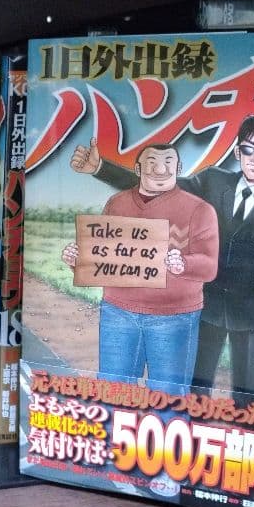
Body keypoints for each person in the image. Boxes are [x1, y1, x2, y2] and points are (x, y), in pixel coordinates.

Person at [71, 115, 254, 403]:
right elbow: (158, 183)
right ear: (238, 152)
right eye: (248, 149)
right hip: (207, 308)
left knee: (249, 404)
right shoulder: (213, 181)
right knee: (192, 397)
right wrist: (100, 169)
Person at [63, 143, 219, 395]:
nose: (160, 169)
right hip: (117, 312)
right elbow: (102, 259)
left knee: (168, 397)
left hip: (174, 316)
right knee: (112, 391)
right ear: (137, 169)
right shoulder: (117, 203)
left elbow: (210, 267)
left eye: (168, 162)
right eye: (151, 162)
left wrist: (184, 263)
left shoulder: (200, 210)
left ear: (179, 168)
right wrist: (77, 261)